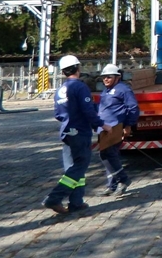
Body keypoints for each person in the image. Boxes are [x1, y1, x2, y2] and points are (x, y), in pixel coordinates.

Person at [42, 55, 111, 215]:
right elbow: (88, 111)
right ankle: (54, 198)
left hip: (67, 132)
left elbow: (58, 114)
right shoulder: (80, 87)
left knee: (73, 169)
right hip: (79, 132)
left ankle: (76, 202)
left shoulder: (60, 90)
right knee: (79, 167)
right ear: (78, 69)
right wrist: (101, 125)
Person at [97, 63, 139, 196]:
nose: (106, 79)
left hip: (115, 127)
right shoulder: (106, 91)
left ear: (117, 77)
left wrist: (128, 125)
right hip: (104, 127)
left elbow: (133, 108)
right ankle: (112, 185)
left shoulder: (123, 89)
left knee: (107, 154)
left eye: (109, 77)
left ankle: (123, 179)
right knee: (110, 155)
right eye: (104, 77)